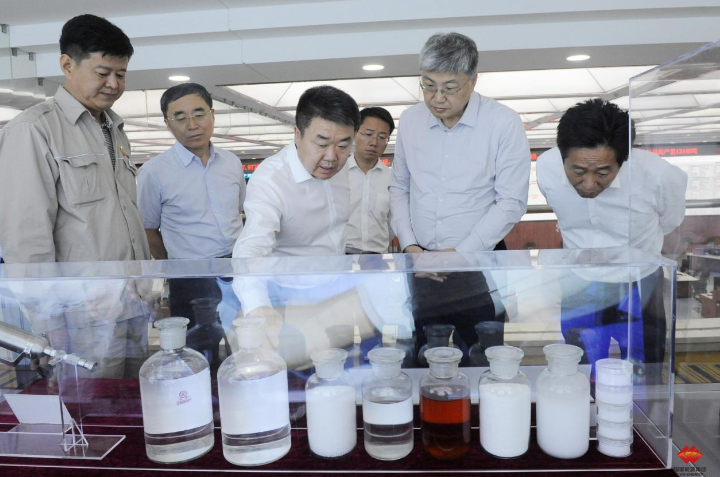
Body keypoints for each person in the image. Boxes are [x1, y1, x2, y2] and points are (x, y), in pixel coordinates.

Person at [0, 14, 150, 378]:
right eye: (103, 72)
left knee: (134, 402)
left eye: (121, 74)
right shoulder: (34, 130)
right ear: (67, 65)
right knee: (91, 407)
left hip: (132, 305)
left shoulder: (114, 130)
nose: (114, 84)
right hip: (80, 317)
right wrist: (49, 324)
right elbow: (27, 240)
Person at [389, 32, 531, 361]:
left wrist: (460, 255)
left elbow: (511, 201)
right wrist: (411, 248)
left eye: (449, 88)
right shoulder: (410, 121)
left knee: (484, 356)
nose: (436, 98)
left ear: (473, 80)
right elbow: (400, 187)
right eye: (428, 85)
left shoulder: (503, 123)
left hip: (480, 263)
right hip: (422, 265)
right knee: (424, 355)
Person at [536, 98, 687, 373]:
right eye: (577, 171)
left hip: (638, 284)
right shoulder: (546, 167)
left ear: (623, 159)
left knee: (645, 370)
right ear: (562, 156)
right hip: (579, 282)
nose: (589, 184)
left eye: (603, 172)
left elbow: (670, 221)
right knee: (578, 368)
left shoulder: (659, 176)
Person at [232, 85, 359, 319]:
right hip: (287, 298)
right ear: (297, 134)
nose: (332, 157)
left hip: (336, 288)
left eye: (343, 145)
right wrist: (258, 307)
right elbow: (250, 249)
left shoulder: (341, 168)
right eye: (321, 144)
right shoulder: (272, 179)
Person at [137, 83, 246, 326]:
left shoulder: (231, 162)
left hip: (238, 268)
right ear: (167, 123)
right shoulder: (154, 172)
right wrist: (176, 267)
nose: (193, 125)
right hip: (190, 275)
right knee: (197, 342)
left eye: (199, 114)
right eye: (180, 118)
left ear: (212, 114)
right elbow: (148, 230)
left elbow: (238, 209)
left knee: (244, 338)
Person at [345, 107, 394, 254]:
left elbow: (393, 223)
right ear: (354, 134)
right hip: (341, 256)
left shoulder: (392, 179)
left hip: (377, 258)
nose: (374, 142)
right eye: (368, 134)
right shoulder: (336, 175)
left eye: (382, 137)